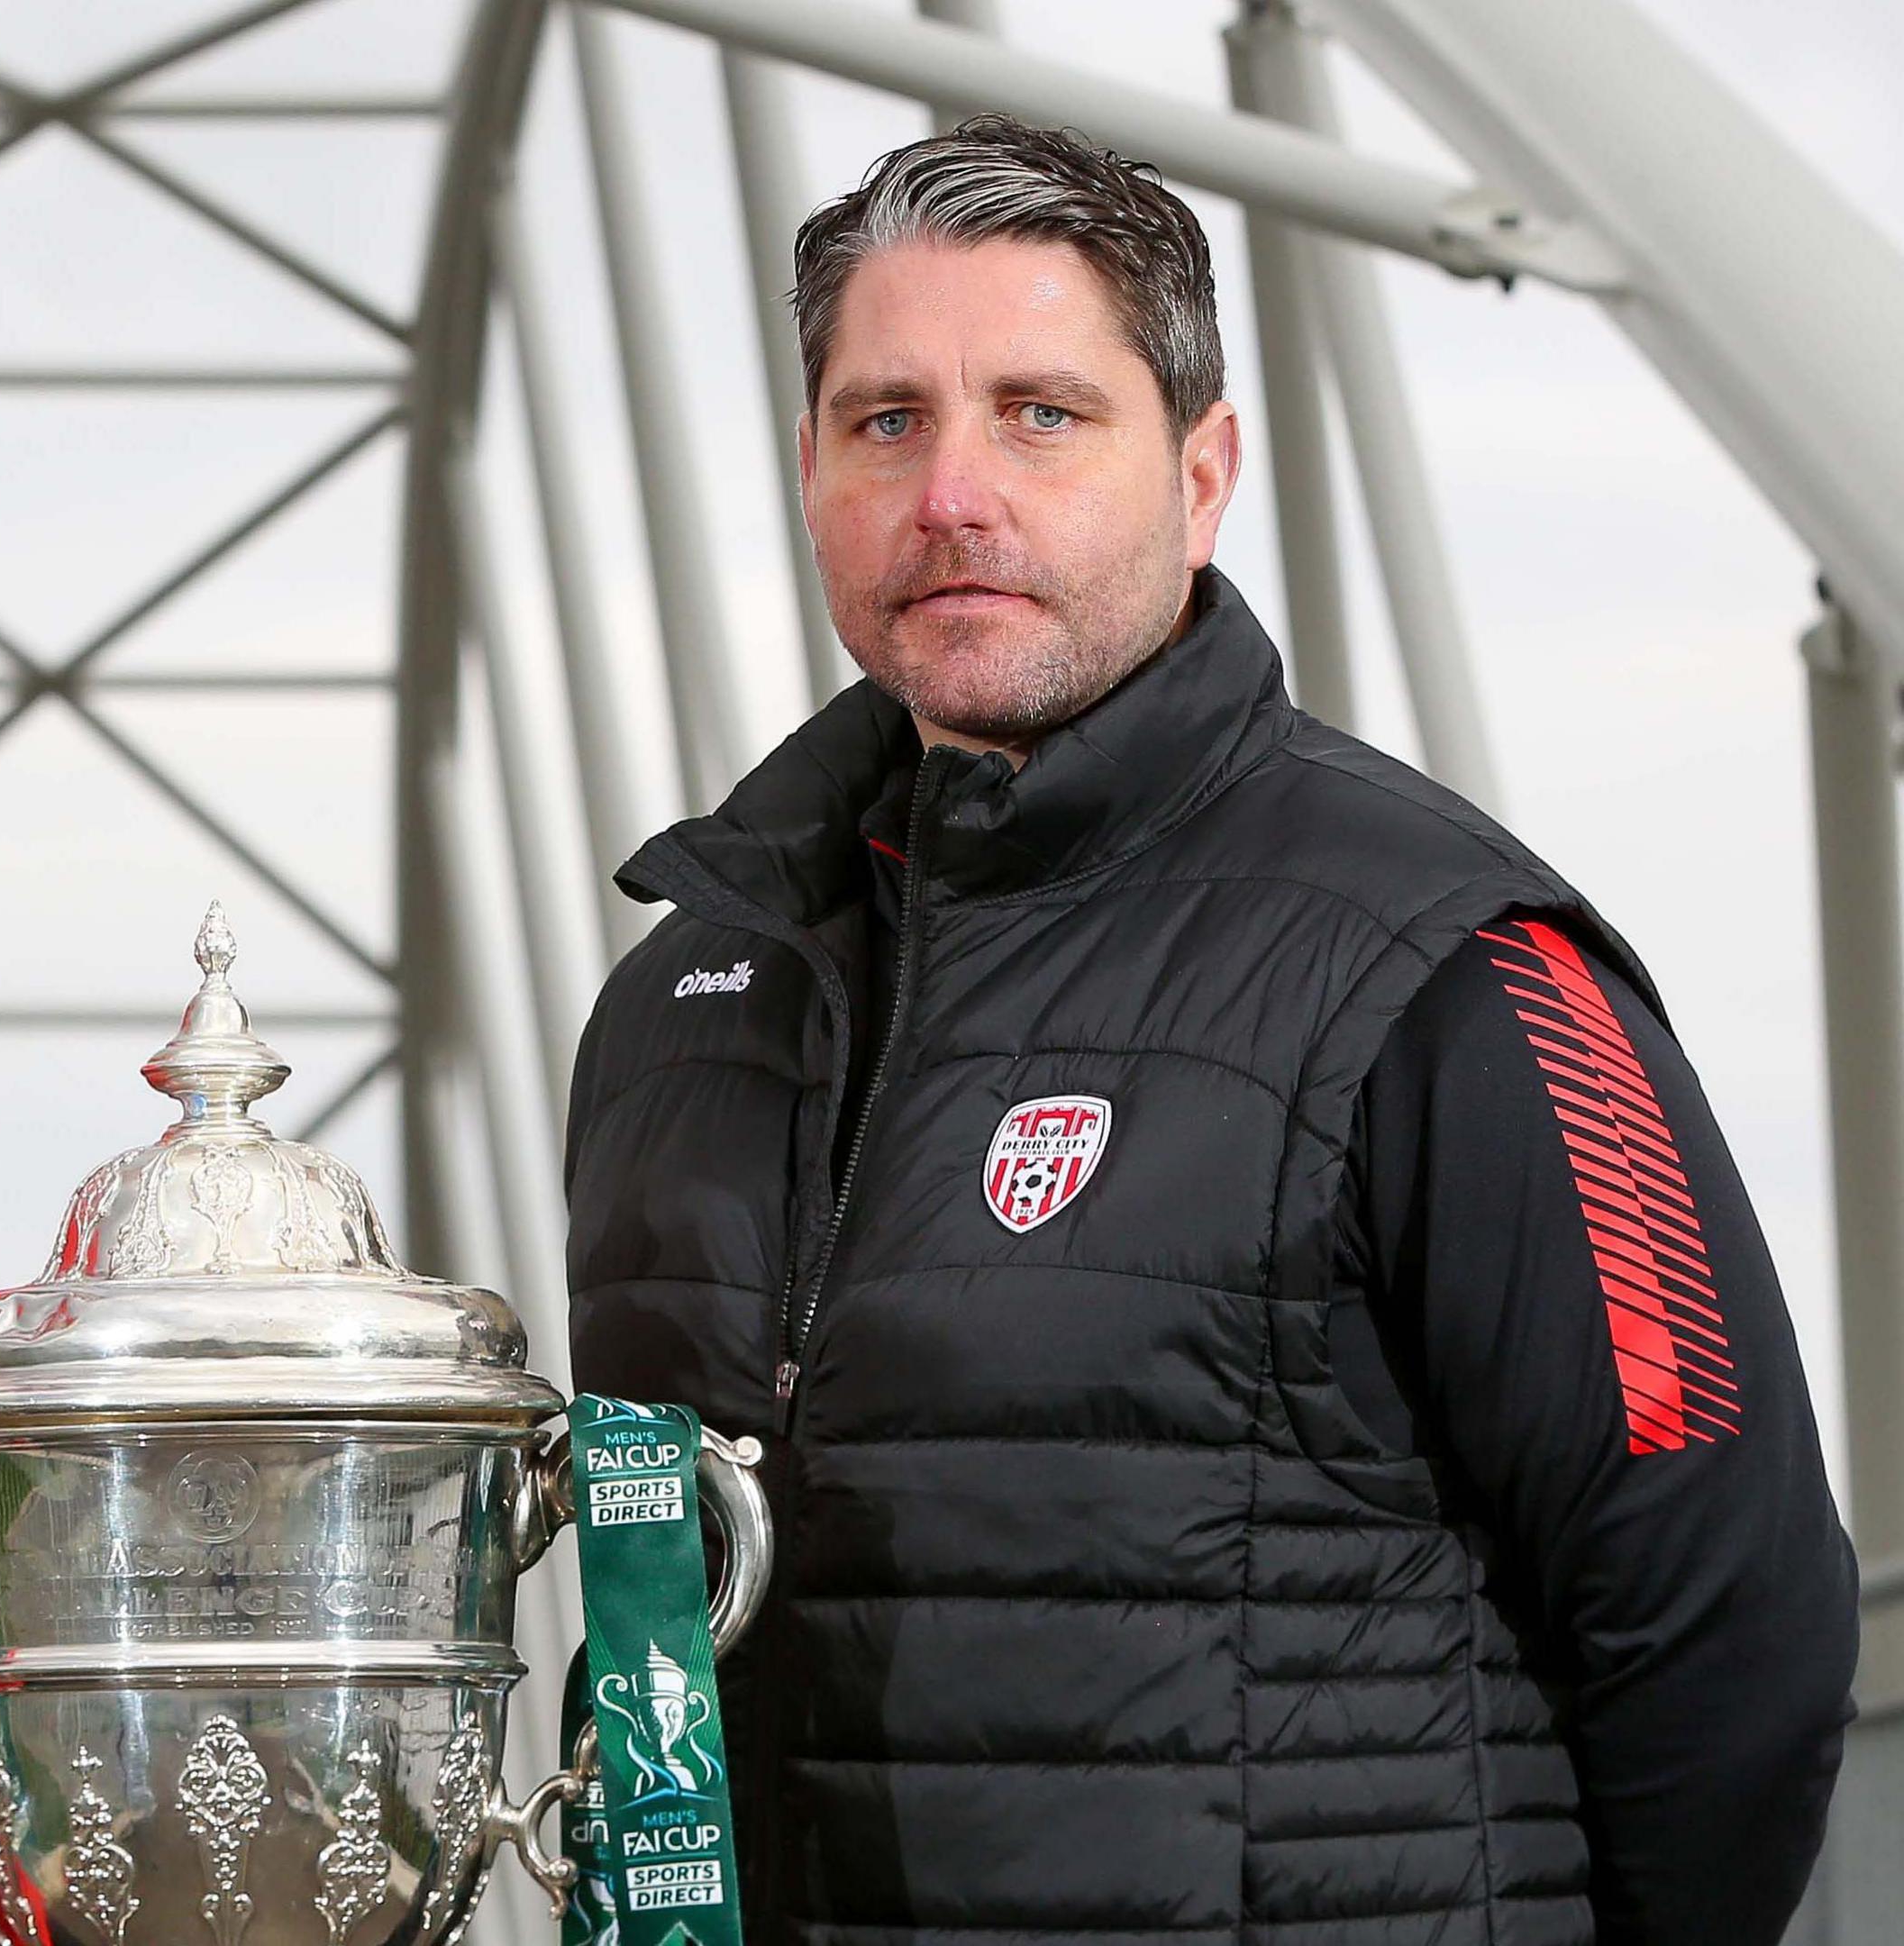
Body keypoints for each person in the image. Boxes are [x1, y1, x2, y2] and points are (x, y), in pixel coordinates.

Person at [564, 114, 1853, 1944]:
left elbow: (1734, 1634)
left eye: (1043, 413)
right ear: (810, 471)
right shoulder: (681, 1006)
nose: (953, 493)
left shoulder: (1450, 964)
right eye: (888, 420)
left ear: (1204, 465)